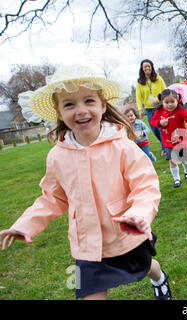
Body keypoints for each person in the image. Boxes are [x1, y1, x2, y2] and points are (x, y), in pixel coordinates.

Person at [0, 65, 172, 300]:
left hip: (125, 235)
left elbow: (145, 185)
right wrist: (25, 224)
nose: (80, 111)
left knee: (146, 266)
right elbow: (52, 197)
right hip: (87, 245)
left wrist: (139, 213)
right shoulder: (57, 156)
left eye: (88, 101)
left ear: (102, 106)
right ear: (59, 112)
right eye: (69, 104)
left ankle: (159, 277)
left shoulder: (121, 147)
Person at [150, 89, 187, 188]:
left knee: (184, 159)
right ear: (162, 102)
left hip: (182, 140)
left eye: (172, 102)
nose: (169, 104)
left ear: (177, 100)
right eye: (166, 102)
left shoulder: (181, 110)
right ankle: (176, 178)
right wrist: (160, 123)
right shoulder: (159, 111)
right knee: (172, 160)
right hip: (168, 141)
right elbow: (153, 120)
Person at [135, 59, 167, 156]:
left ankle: (165, 149)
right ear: (142, 69)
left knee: (160, 128)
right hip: (149, 109)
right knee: (154, 129)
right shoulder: (140, 83)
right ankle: (164, 144)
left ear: (152, 67)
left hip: (159, 107)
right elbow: (138, 97)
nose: (147, 68)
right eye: (145, 66)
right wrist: (140, 109)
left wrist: (158, 99)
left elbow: (165, 91)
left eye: (149, 66)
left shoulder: (158, 79)